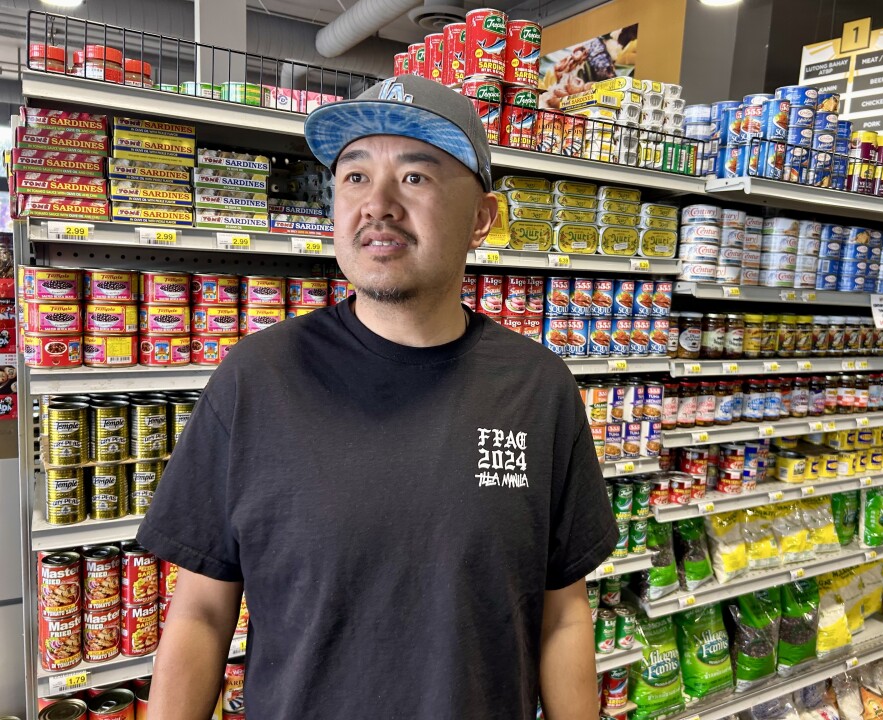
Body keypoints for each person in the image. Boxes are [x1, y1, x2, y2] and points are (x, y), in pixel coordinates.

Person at [138, 74, 616, 719]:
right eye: (354, 177)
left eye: (415, 177)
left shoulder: (537, 386)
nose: (378, 204)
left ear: (482, 218)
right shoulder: (257, 377)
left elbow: (562, 612)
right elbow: (199, 609)